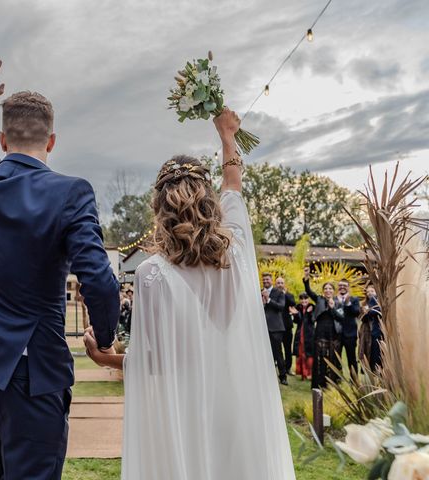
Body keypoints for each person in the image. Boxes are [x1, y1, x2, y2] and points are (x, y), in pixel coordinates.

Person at [84, 109, 295, 479]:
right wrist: (226, 134)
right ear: (209, 202)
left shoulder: (151, 276)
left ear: (159, 209)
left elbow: (155, 363)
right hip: (235, 409)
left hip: (186, 415)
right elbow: (233, 183)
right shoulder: (238, 252)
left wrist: (106, 359)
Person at [0, 52, 120, 479]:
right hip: (33, 375)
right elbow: (97, 277)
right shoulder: (71, 193)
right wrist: (106, 339)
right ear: (51, 141)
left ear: (3, 140)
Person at [303, 268, 343, 389]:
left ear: (333, 291)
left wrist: (332, 308)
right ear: (323, 291)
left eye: (330, 288)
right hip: (320, 331)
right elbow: (309, 292)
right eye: (326, 288)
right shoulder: (319, 299)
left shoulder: (337, 302)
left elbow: (340, 318)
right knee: (319, 358)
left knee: (331, 358)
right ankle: (318, 383)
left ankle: (331, 383)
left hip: (333, 333)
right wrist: (306, 279)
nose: (328, 290)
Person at [261, 272, 288, 385]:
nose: (266, 281)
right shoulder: (259, 292)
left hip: (276, 328)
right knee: (263, 353)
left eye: (267, 279)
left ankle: (283, 376)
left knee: (277, 353)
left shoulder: (279, 292)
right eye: (264, 280)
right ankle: (266, 376)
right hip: (262, 327)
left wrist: (268, 300)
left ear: (271, 280)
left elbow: (281, 307)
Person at [336, 278, 361, 376]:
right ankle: (337, 378)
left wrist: (348, 304)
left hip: (350, 334)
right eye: (340, 285)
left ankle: (354, 380)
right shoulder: (334, 299)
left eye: (344, 285)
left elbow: (356, 312)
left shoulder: (354, 299)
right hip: (337, 334)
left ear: (348, 287)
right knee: (336, 358)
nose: (342, 287)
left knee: (351, 358)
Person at [276, 276, 296, 376]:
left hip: (287, 326)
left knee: (288, 348)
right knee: (277, 349)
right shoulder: (273, 295)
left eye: (281, 283)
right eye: (278, 283)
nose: (280, 284)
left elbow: (293, 303)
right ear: (276, 284)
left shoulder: (289, 295)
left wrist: (285, 294)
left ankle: (288, 367)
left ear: (284, 284)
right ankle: (281, 368)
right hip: (276, 327)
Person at [292, 293, 315, 380]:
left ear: (308, 299)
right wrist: (296, 314)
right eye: (302, 299)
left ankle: (309, 373)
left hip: (309, 333)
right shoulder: (298, 307)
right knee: (300, 353)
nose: (303, 301)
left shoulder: (312, 307)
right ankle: (302, 373)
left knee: (309, 353)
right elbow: (296, 321)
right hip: (300, 333)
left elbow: (313, 320)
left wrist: (309, 313)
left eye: (305, 299)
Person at [363, 285, 382, 371]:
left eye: (372, 291)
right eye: (368, 292)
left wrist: (369, 311)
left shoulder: (379, 300)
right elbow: (363, 317)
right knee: (372, 353)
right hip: (371, 332)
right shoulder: (367, 303)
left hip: (379, 330)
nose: (369, 293)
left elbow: (379, 310)